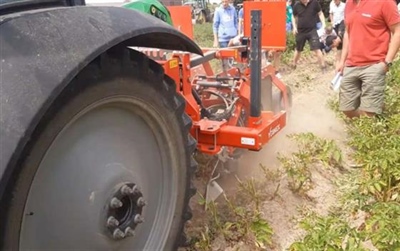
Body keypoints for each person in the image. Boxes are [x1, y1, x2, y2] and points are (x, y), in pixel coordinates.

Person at [336, 0, 400, 119]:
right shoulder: (349, 4)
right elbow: (347, 33)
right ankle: (377, 117)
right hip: (351, 64)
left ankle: (370, 126)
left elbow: (397, 31)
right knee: (347, 109)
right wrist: (342, 61)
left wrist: (387, 61)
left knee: (368, 113)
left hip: (374, 64)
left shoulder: (385, 2)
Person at [291, 0, 327, 70]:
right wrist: (294, 27)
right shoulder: (297, 5)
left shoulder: (314, 2)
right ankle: (293, 64)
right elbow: (293, 16)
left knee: (317, 48)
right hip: (301, 31)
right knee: (298, 49)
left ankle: (323, 66)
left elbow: (320, 13)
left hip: (312, 30)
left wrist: (324, 23)